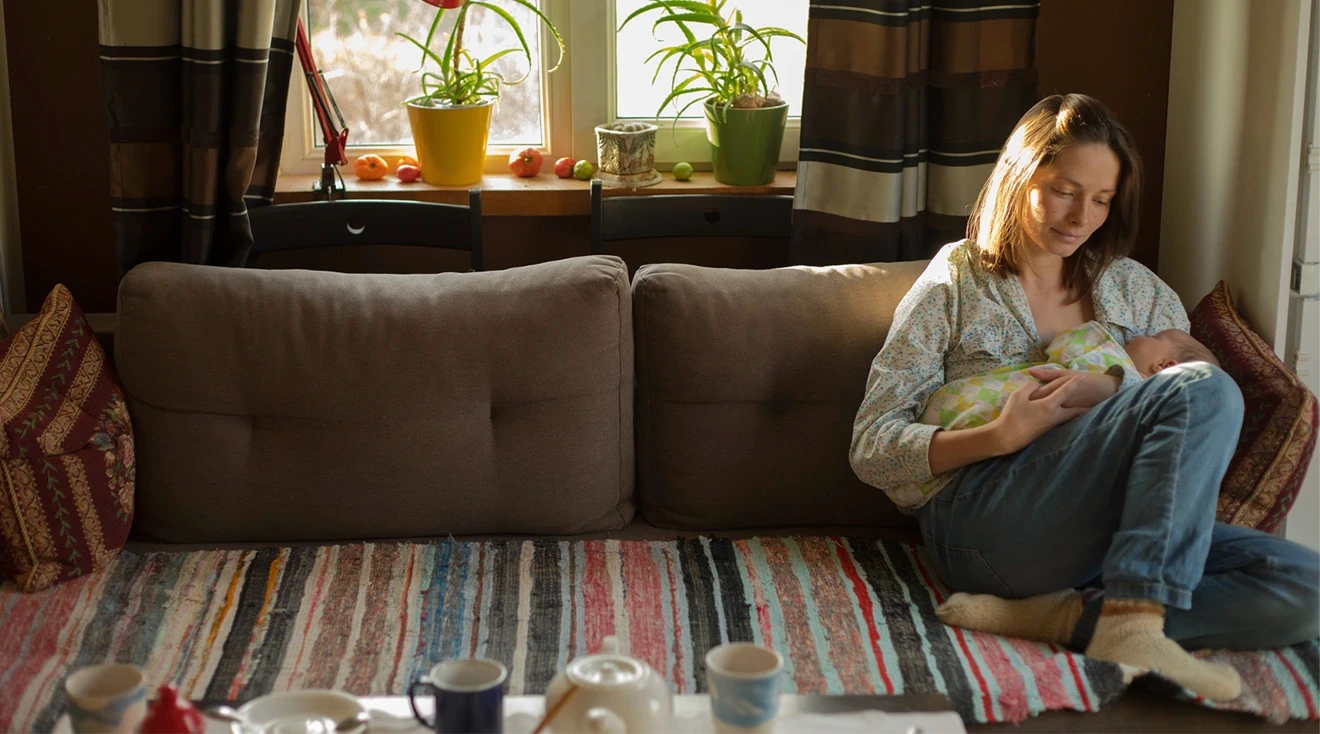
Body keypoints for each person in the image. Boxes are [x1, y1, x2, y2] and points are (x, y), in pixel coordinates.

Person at [849, 94, 1320, 701]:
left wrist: (1112, 387)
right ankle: (1134, 615)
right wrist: (1000, 436)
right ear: (1020, 177)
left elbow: (1191, 433)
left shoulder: (1138, 291)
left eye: (1101, 200)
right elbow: (872, 444)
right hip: (986, 526)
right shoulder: (955, 281)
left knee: (1304, 586)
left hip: (1118, 532)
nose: (1081, 218)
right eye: (1066, 191)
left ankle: (1080, 618)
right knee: (1203, 386)